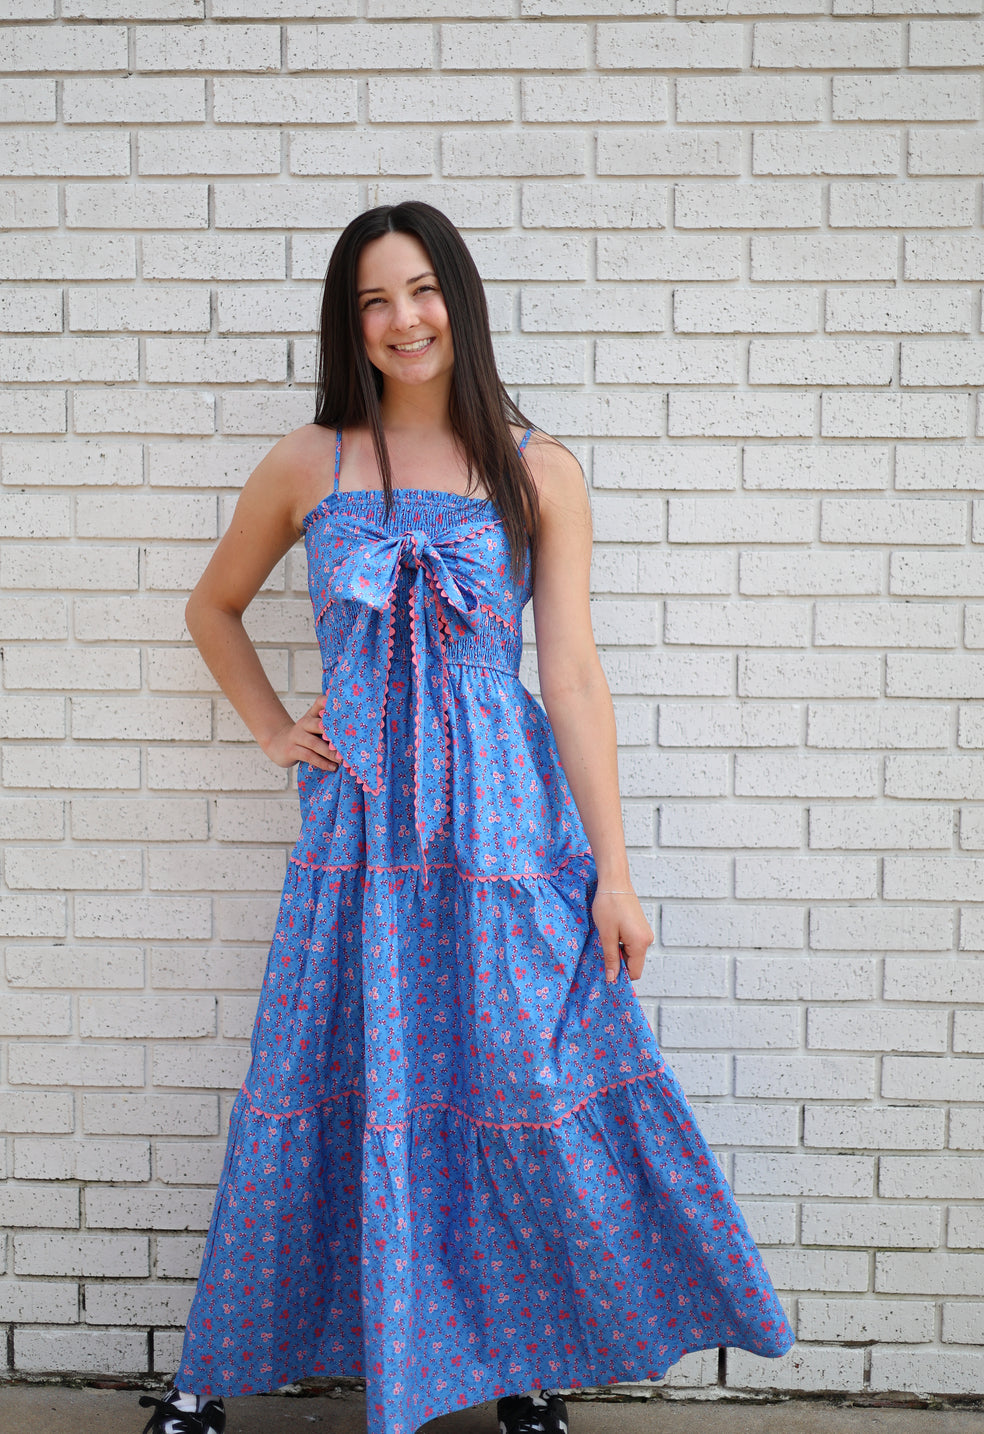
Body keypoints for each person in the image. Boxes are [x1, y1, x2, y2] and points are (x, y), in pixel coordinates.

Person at [139, 201, 793, 1434]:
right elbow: (212, 608)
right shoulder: (308, 462)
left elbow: (575, 675)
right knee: (315, 1084)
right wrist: (280, 729)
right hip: (362, 837)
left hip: (502, 838)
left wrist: (613, 870)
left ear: (461, 298)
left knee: (517, 1090)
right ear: (351, 321)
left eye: (422, 289)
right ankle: (209, 1373)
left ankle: (517, 1362)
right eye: (374, 300)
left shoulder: (535, 467)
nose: (402, 319)